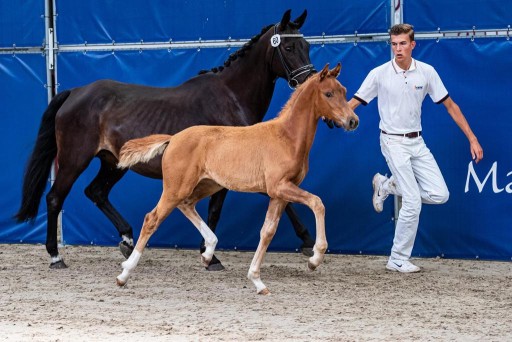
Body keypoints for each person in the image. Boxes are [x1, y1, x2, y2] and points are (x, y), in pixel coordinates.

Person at [348, 23, 484, 273]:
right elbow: (355, 102)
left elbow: (451, 106)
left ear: (412, 45)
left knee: (439, 194)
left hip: (417, 142)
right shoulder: (378, 73)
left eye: (402, 44)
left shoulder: (427, 72)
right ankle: (397, 258)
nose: (398, 49)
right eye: (394, 44)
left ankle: (386, 185)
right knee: (412, 200)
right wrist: (335, 115)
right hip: (392, 141)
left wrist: (472, 138)